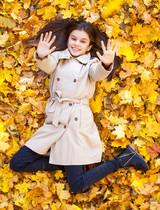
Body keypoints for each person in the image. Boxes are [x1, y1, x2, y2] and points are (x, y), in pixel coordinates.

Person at [10, 19, 149, 193]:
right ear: (68, 39)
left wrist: (106, 63)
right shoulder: (57, 58)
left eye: (82, 41)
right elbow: (47, 65)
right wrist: (42, 55)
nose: (76, 44)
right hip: (54, 121)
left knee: (77, 186)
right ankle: (63, 163)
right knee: (17, 163)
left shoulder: (90, 65)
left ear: (89, 47)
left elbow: (97, 74)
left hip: (74, 123)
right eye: (73, 39)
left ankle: (123, 160)